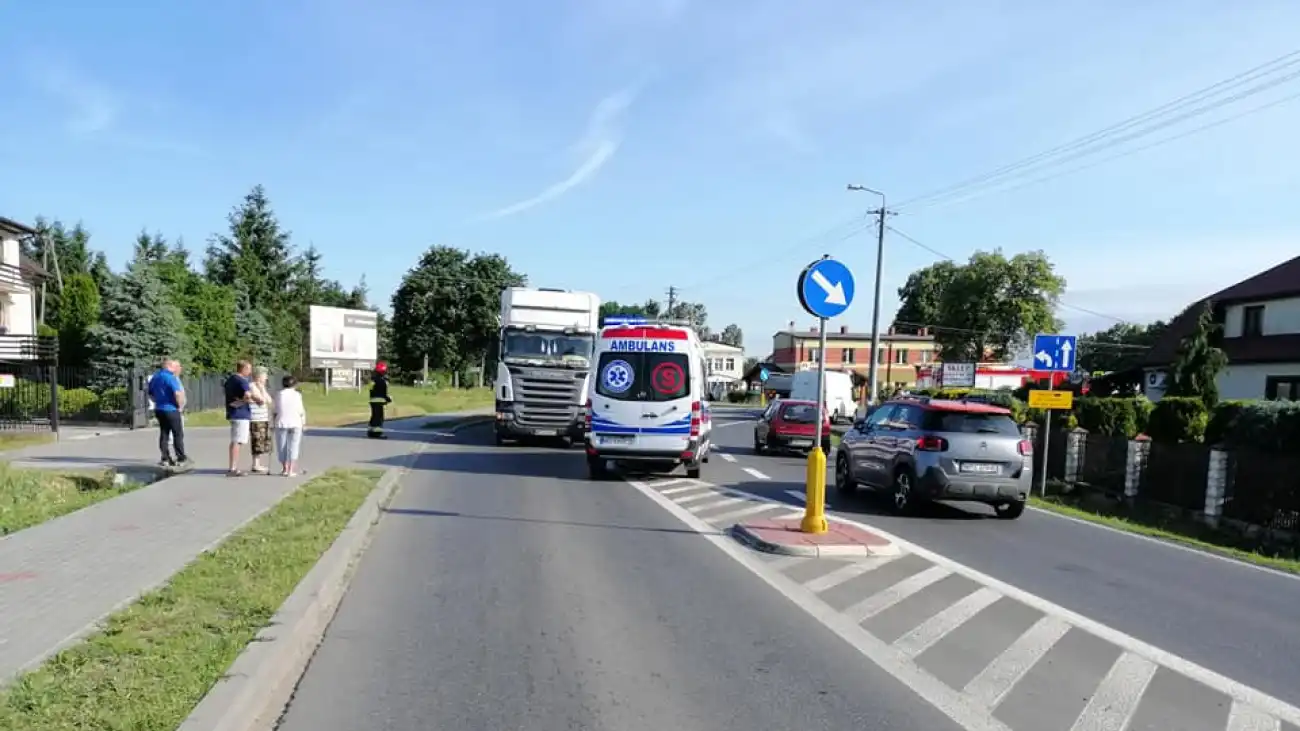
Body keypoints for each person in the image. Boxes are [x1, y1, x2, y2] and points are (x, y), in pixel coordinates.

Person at [147, 358, 192, 470]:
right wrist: (180, 406)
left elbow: (150, 393)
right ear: (169, 366)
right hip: (171, 409)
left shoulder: (155, 377)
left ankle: (165, 458)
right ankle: (181, 458)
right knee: (177, 434)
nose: (175, 368)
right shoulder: (170, 377)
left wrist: (157, 401)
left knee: (164, 433)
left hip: (159, 409)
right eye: (173, 366)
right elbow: (177, 393)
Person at [224, 360, 254, 476]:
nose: (250, 372)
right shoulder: (242, 380)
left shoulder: (230, 380)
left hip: (232, 412)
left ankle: (233, 466)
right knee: (238, 441)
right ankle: (233, 468)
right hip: (241, 413)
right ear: (243, 369)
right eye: (249, 369)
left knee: (235, 440)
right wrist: (247, 400)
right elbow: (247, 394)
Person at [274, 374, 307, 476]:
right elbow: (301, 410)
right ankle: (291, 470)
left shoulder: (279, 394)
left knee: (281, 446)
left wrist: (272, 422)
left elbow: (275, 409)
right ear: (294, 384)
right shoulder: (297, 395)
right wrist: (304, 423)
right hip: (295, 422)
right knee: (294, 446)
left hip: (281, 422)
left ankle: (285, 468)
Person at [247, 366, 273, 474]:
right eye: (264, 375)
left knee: (262, 441)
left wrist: (262, 389)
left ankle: (257, 463)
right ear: (258, 376)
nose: (266, 378)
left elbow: (269, 400)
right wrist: (261, 390)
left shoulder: (262, 387)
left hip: (263, 418)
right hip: (255, 418)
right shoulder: (252, 386)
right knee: (257, 441)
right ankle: (255, 464)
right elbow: (261, 400)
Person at [367, 361, 391, 439]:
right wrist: (388, 399)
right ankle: (377, 433)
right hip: (379, 401)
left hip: (372, 401)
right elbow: (383, 393)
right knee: (379, 418)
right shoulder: (382, 381)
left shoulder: (372, 381)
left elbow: (371, 390)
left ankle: (371, 432)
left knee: (374, 416)